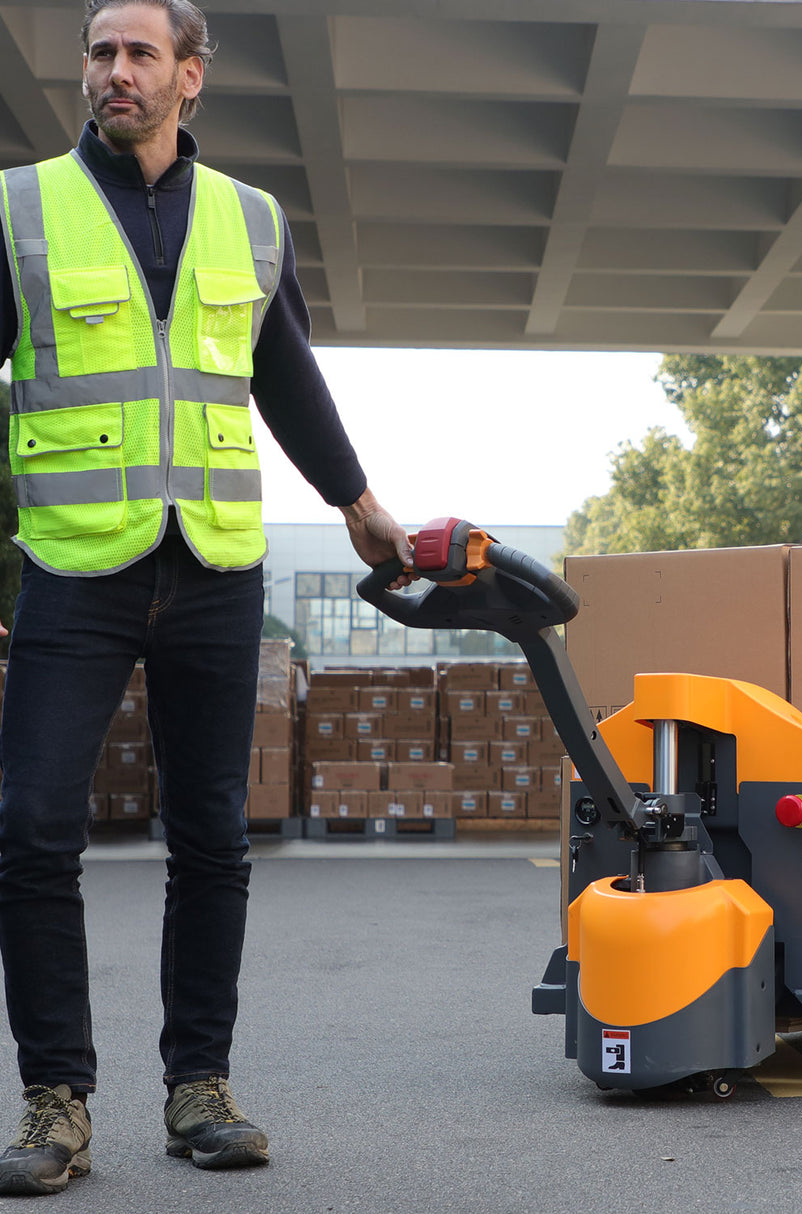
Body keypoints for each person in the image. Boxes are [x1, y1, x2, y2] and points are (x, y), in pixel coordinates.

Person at [0, 0, 414, 1194]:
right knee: (31, 827)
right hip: (76, 567)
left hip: (216, 568)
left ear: (191, 78)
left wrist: (356, 501)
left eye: (139, 53)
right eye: (100, 51)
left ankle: (200, 1087)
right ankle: (56, 1100)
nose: (114, 71)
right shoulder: (23, 207)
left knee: (213, 838)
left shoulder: (250, 218)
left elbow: (283, 371)